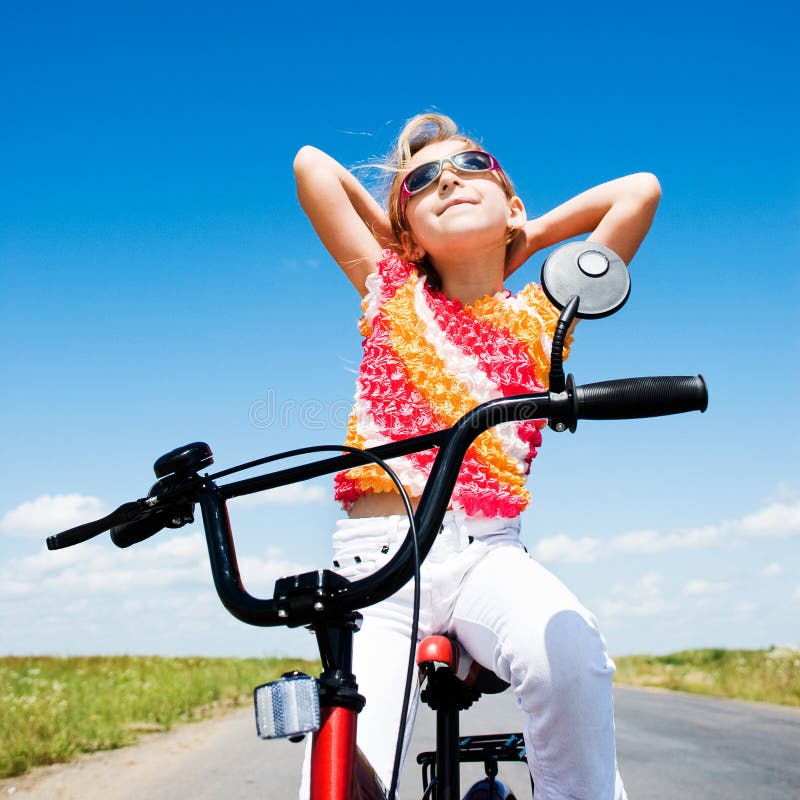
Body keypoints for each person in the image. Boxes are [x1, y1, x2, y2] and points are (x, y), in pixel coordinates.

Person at [293, 113, 660, 799]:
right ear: (404, 230)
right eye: (424, 181)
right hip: (380, 560)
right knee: (344, 755)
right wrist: (401, 243)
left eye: (473, 167)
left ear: (512, 201)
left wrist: (527, 239)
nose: (450, 180)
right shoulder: (391, 291)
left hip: (490, 555)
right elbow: (312, 165)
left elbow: (638, 192)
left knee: (570, 658)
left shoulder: (538, 319)